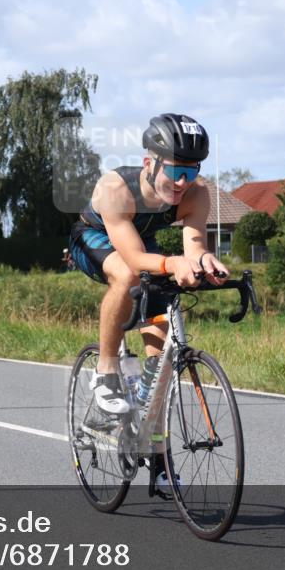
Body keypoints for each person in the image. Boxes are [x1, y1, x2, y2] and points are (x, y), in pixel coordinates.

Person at [68, 113, 228, 417]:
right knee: (128, 274)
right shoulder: (115, 188)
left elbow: (194, 246)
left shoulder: (196, 194)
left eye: (191, 171)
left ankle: (147, 423)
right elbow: (134, 259)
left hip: (142, 240)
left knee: (160, 359)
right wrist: (173, 263)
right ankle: (106, 370)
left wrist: (203, 259)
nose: (182, 182)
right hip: (93, 236)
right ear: (149, 164)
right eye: (175, 170)